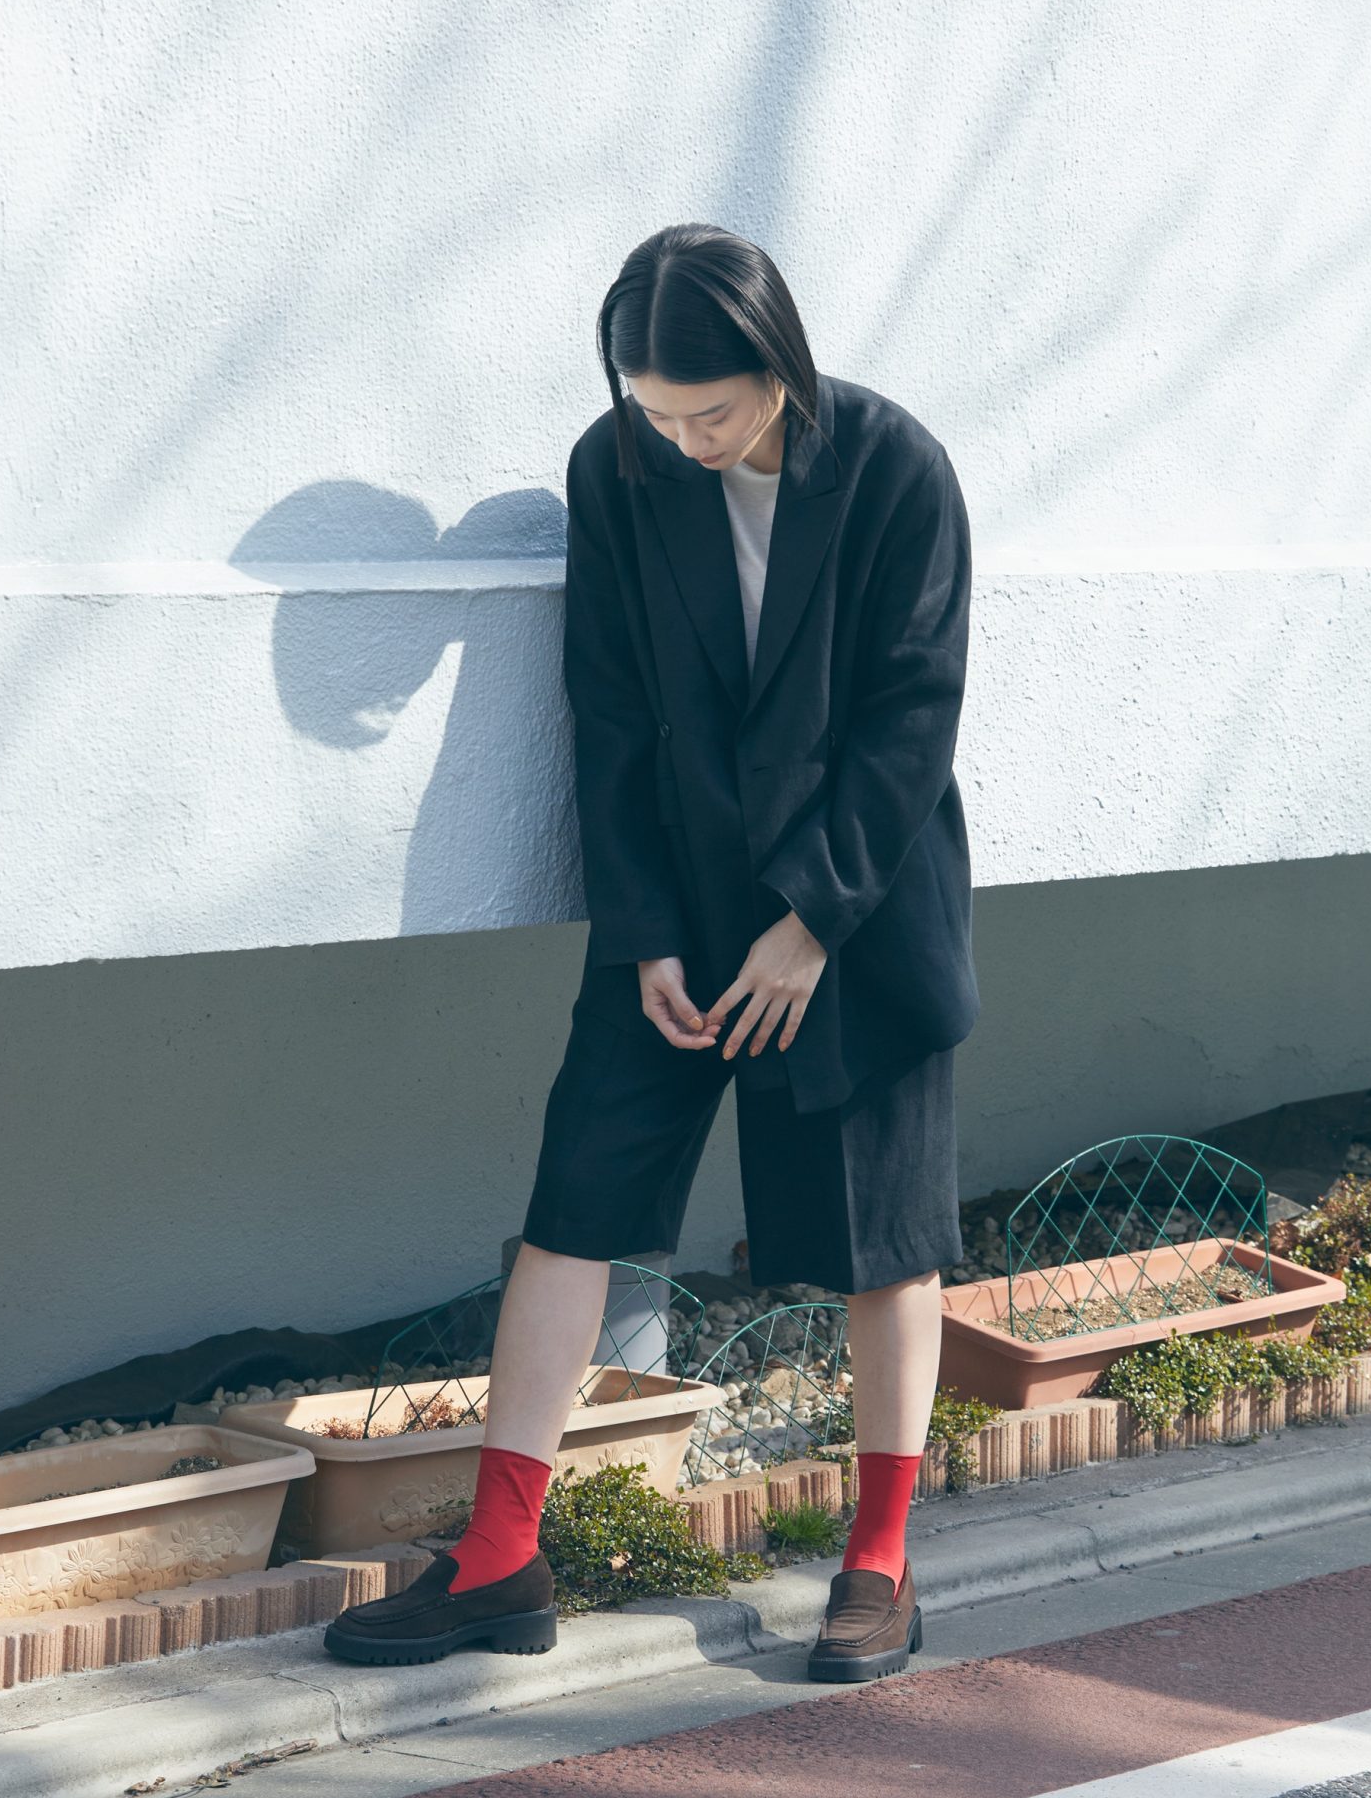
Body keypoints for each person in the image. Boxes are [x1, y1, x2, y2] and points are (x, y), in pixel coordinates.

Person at [326, 223, 978, 1684]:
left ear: (778, 366)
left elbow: (913, 715)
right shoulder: (616, 467)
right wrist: (644, 936)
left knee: (886, 1245)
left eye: (712, 413)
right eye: (657, 411)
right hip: (673, 910)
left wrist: (810, 925)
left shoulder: (895, 468)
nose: (684, 442)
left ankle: (878, 1561)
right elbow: (608, 711)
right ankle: (500, 1559)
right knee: (576, 1207)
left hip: (856, 916)